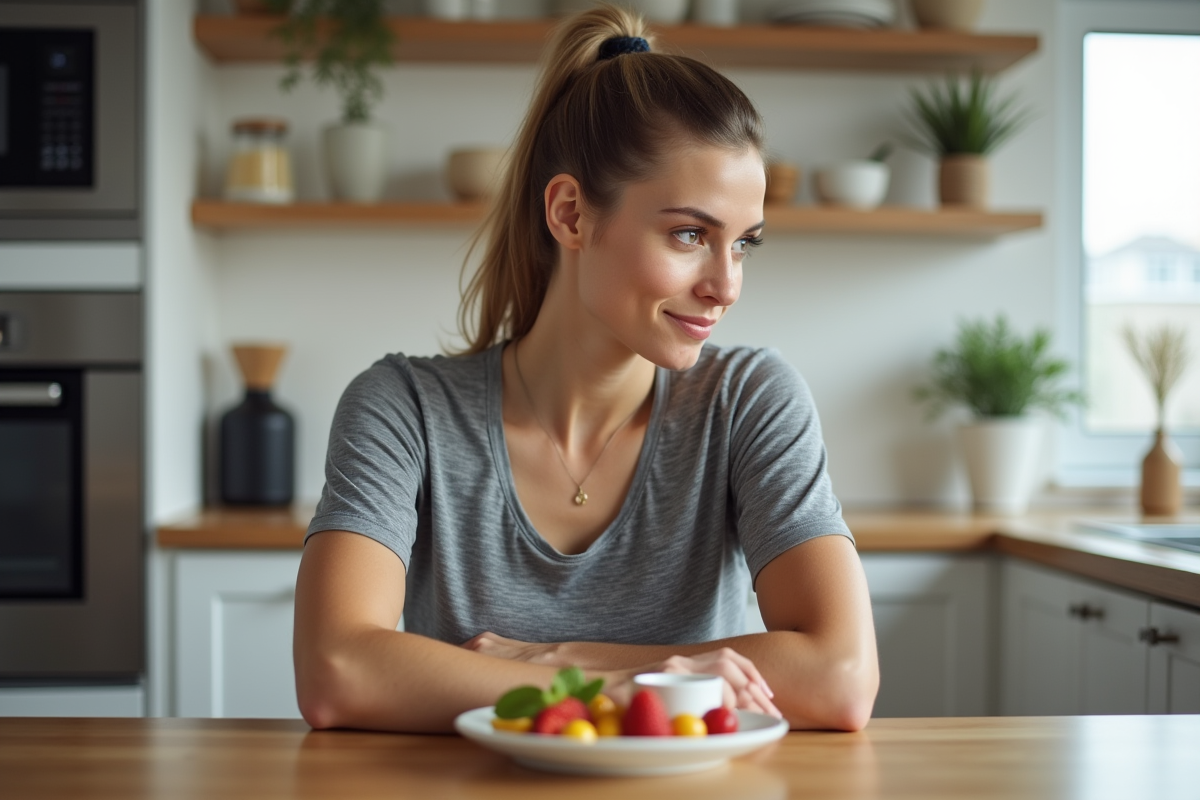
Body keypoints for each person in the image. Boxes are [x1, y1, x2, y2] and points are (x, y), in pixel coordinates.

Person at [293, 4, 878, 734]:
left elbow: (841, 677)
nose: (725, 286)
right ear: (571, 214)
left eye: (744, 244)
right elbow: (337, 672)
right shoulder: (402, 407)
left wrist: (559, 657)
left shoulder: (748, 400)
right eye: (690, 234)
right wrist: (644, 675)